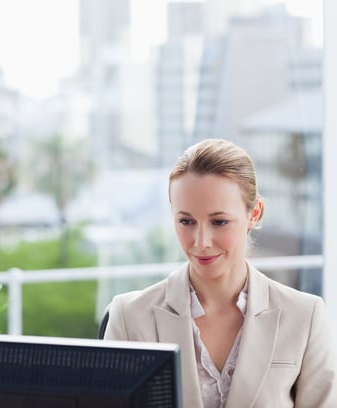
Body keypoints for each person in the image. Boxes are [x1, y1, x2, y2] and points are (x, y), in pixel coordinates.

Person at [104, 138, 337, 407]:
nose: (201, 241)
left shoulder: (304, 317)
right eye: (186, 221)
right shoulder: (130, 317)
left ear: (254, 213)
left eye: (219, 221)